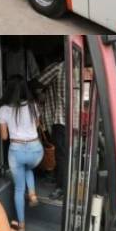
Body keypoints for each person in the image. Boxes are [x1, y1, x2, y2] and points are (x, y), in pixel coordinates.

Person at [0, 76, 43, 231]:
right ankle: (33, 194)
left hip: (17, 151)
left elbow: (4, 137)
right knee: (28, 167)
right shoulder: (33, 106)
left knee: (18, 188)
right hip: (36, 151)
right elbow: (36, 125)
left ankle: (22, 226)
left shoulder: (4, 109)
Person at [36, 58, 66, 201]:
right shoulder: (76, 66)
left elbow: (38, 82)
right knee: (65, 154)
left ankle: (61, 187)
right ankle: (60, 180)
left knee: (60, 156)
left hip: (61, 120)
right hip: (72, 120)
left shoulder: (58, 66)